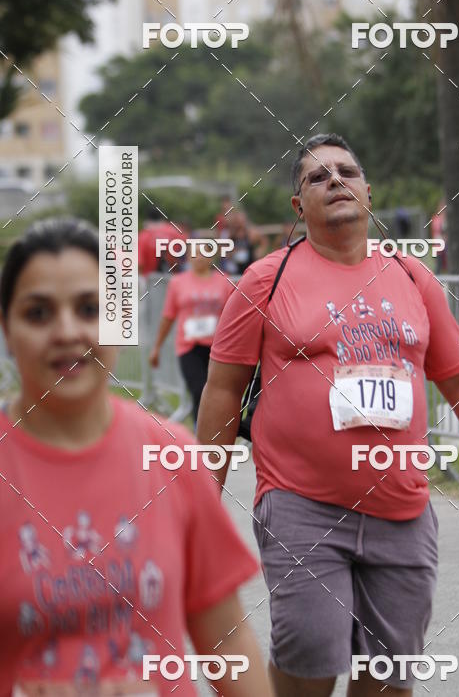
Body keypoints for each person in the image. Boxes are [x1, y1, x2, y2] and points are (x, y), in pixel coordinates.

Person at [198, 133, 459, 697]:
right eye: (318, 176)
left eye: (346, 171)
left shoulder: (412, 277)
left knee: (389, 677)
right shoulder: (266, 280)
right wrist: (202, 506)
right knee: (311, 653)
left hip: (402, 511)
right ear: (298, 205)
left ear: (368, 191)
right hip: (301, 504)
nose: (335, 180)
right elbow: (221, 392)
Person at [0, 217, 271, 695]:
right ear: (6, 328)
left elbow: (226, 639)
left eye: (90, 309)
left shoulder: (171, 456)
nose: (67, 331)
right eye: (38, 313)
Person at [149, 237, 233, 422]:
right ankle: (201, 433)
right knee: (199, 390)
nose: (199, 257)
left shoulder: (224, 282)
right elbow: (168, 316)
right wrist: (157, 347)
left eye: (204, 253)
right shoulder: (178, 282)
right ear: (188, 257)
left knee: (216, 393)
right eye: (195, 253)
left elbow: (232, 316)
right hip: (188, 346)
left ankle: (211, 432)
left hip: (217, 347)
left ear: (212, 257)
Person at [138, 206, 188, 276]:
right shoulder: (175, 231)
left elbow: (140, 263)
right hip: (177, 277)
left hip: (150, 278)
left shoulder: (143, 236)